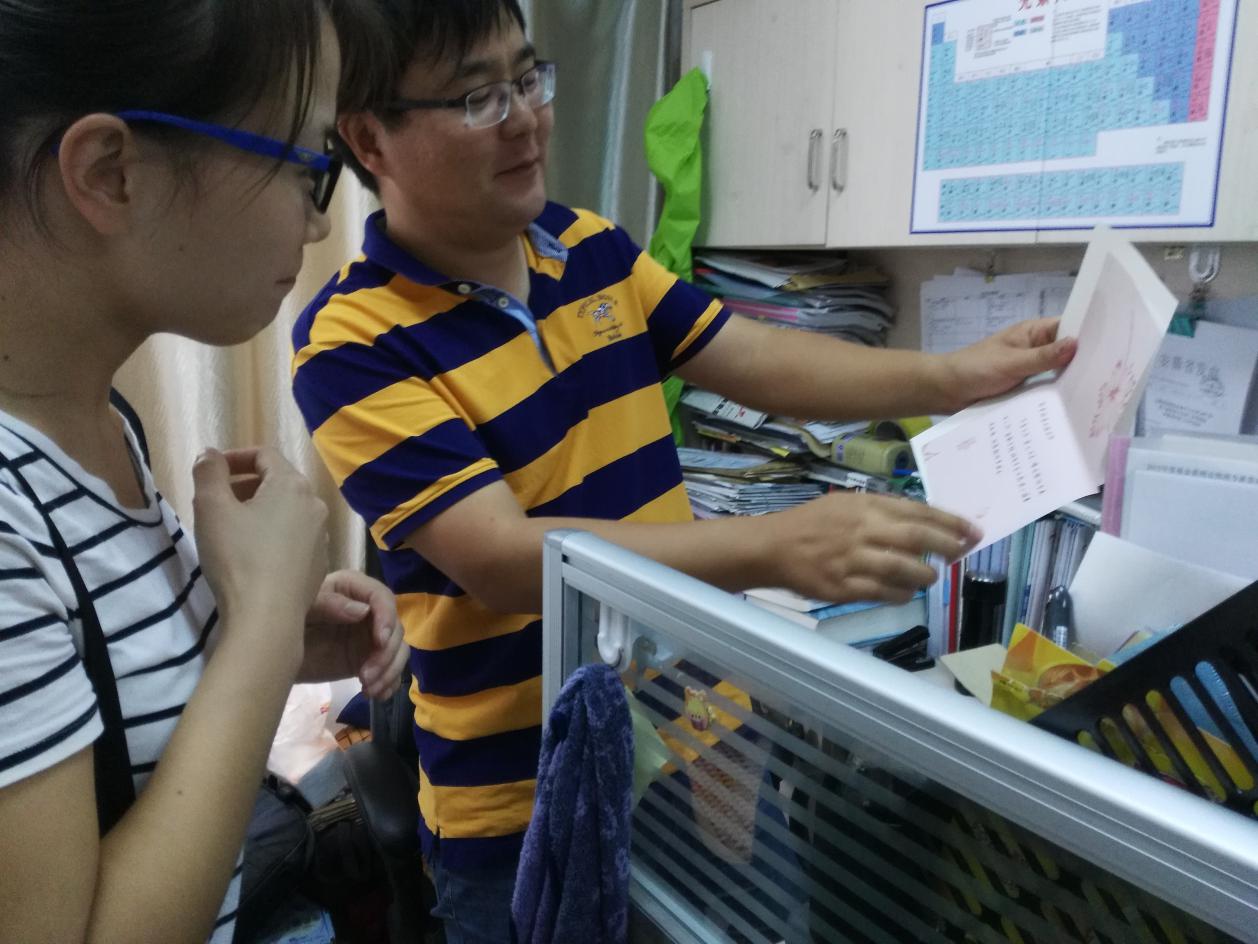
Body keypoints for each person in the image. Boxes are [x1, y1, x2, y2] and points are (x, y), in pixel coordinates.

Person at [293, 1, 1077, 939]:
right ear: (369, 138)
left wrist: (953, 376)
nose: (525, 118)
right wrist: (771, 546)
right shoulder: (352, 340)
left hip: (700, 743)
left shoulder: (590, 248)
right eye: (476, 98)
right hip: (522, 804)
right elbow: (501, 557)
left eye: (527, 79)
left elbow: (758, 357)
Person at [0, 2, 409, 942]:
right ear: (111, 174)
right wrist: (258, 632)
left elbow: (106, 712)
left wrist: (258, 634)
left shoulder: (98, 422)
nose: (319, 221)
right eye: (308, 166)